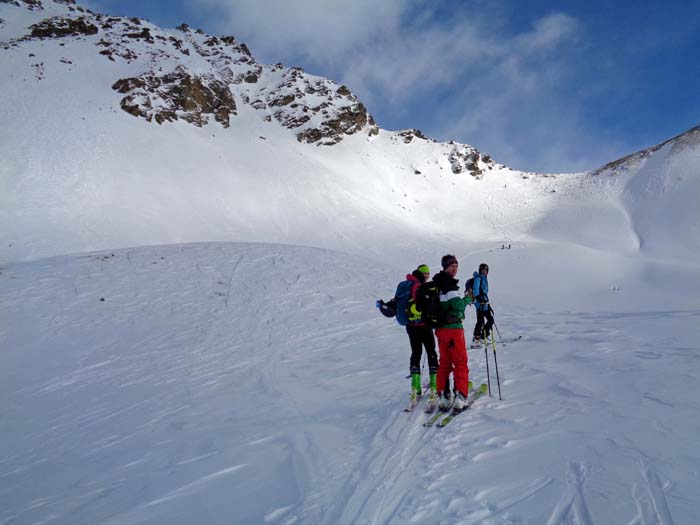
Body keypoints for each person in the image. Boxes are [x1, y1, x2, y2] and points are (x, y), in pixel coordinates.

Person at [432, 254, 471, 411]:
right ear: (445, 267)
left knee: (445, 363)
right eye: (452, 266)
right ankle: (460, 396)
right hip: (453, 329)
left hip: (440, 329)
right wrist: (468, 299)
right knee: (460, 362)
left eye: (456, 265)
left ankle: (443, 396)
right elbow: (458, 306)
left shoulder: (436, 284)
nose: (455, 268)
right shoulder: (449, 284)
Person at [398, 265, 438, 405]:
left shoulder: (407, 285)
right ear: (421, 273)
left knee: (416, 353)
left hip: (410, 326)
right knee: (431, 352)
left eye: (428, 273)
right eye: (425, 273)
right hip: (424, 325)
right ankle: (434, 386)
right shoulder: (422, 286)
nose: (427, 275)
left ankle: (415, 388)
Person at [472, 262, 494, 345]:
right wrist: (479, 299)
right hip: (479, 304)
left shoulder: (485, 279)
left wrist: (488, 304)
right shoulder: (478, 279)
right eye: (483, 270)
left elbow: (484, 293)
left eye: (486, 270)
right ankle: (476, 338)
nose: (484, 272)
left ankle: (483, 336)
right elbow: (475, 291)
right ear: (480, 271)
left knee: (491, 320)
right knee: (480, 321)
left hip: (485, 303)